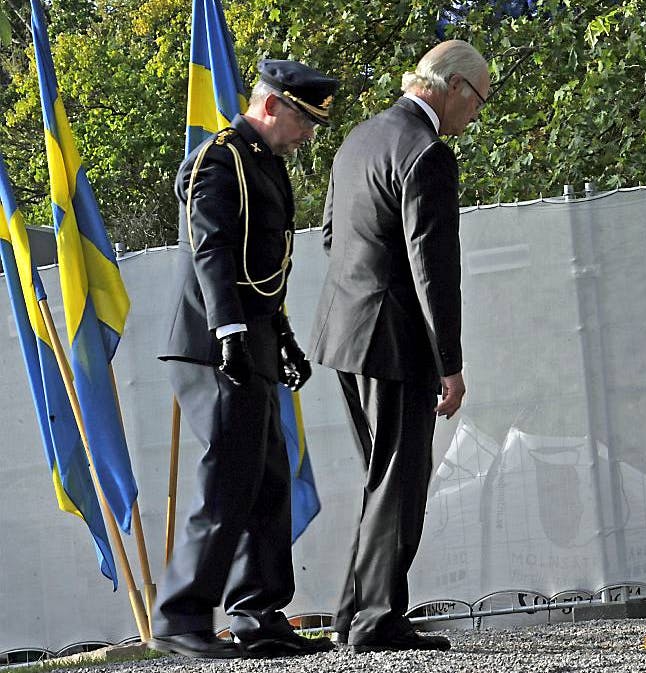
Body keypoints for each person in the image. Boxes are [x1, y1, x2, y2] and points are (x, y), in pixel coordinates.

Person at [152, 59, 338, 659]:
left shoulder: (269, 166)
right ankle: (181, 618)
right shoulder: (220, 157)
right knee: (225, 481)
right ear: (271, 105)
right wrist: (230, 329)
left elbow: (267, 268)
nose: (309, 133)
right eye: (305, 119)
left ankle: (257, 613)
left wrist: (279, 337)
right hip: (213, 343)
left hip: (251, 338)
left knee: (268, 481)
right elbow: (211, 246)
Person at [309, 39, 488, 653]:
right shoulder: (427, 153)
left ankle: (352, 613)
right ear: (456, 88)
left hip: (343, 333)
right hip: (395, 342)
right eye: (479, 102)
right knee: (401, 481)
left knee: (380, 478)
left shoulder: (358, 138)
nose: (475, 117)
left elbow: (333, 234)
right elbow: (433, 267)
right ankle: (377, 620)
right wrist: (450, 363)